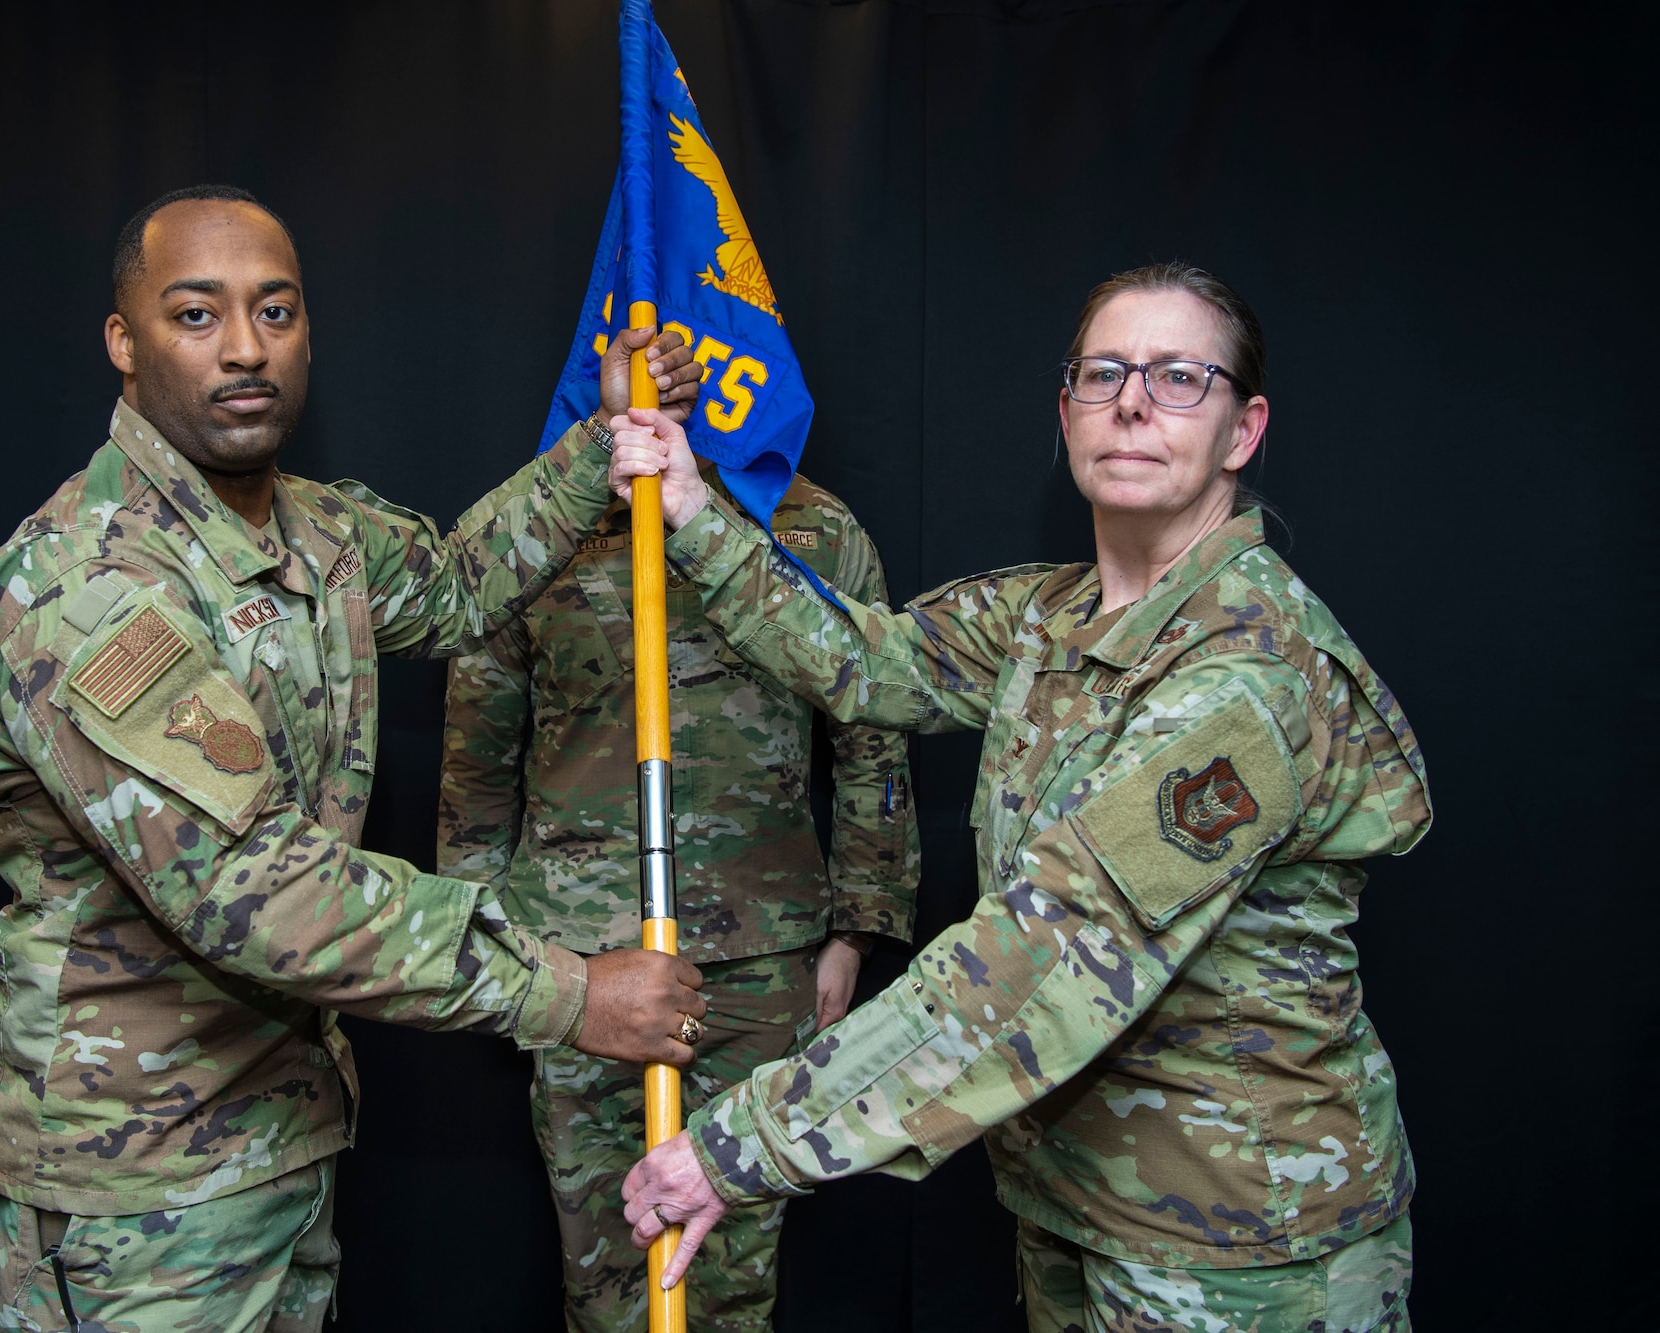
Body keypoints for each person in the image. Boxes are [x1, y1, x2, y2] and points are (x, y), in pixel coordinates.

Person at [0, 184, 712, 1333]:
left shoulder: (309, 528)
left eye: (276, 311)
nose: (245, 348)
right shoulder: (87, 588)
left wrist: (602, 439)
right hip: (122, 1200)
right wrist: (567, 991)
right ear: (122, 341)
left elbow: (453, 587)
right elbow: (256, 891)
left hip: (270, 1148)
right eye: (196, 315)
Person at [609, 263, 1431, 1332]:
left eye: (1181, 376)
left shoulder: (1247, 677)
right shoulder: (1051, 612)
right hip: (1076, 1206)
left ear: (1242, 430)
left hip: (1240, 1246)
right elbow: (869, 663)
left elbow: (1042, 955)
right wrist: (690, 509)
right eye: (1103, 373)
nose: (1133, 401)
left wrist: (742, 1144)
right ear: (1065, 410)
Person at [438, 455, 920, 1330]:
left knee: (734, 1273)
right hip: (581, 965)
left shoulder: (814, 528)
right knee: (606, 1270)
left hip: (763, 955)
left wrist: (858, 929)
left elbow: (872, 739)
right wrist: (486, 956)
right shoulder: (543, 521)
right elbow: (477, 752)